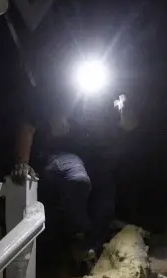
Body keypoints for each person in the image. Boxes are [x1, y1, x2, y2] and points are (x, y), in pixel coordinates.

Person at [12, 90, 136, 264]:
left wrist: (125, 110)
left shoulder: (109, 99)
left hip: (91, 156)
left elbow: (128, 125)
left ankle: (93, 249)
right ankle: (77, 237)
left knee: (105, 195)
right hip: (59, 154)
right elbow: (27, 125)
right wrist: (22, 163)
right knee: (77, 179)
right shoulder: (60, 94)